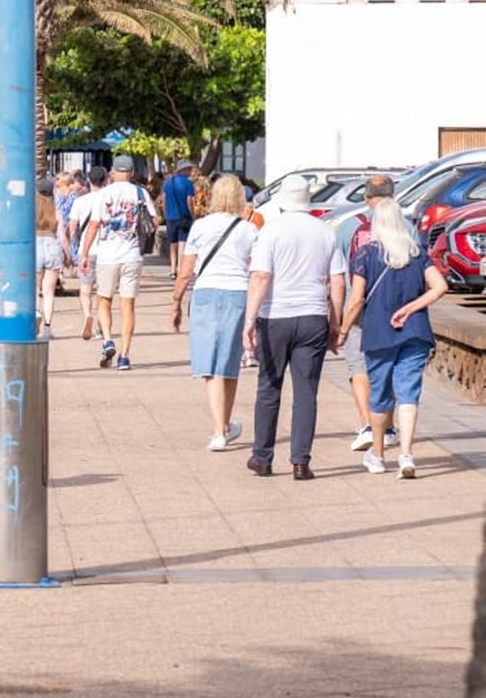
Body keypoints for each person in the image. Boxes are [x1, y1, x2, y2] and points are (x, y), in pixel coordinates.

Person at [337, 195, 444, 479]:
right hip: (415, 332)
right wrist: (411, 307)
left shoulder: (367, 255)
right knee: (409, 394)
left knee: (381, 396)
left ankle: (379, 455)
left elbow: (357, 300)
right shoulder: (417, 253)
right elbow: (440, 286)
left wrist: (344, 329)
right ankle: (406, 455)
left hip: (378, 333)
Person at [242, 176, 342, 480]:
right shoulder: (325, 231)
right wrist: (335, 321)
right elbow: (337, 279)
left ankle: (263, 457)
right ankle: (300, 461)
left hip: (276, 317)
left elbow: (260, 277)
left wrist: (249, 319)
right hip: (312, 316)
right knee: (306, 391)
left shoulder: (270, 231)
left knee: (269, 387)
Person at [169, 175, 259, 451]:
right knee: (229, 364)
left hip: (206, 292)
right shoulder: (249, 230)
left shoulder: (200, 227)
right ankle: (225, 425)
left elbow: (186, 271)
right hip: (237, 293)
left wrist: (176, 301)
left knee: (209, 365)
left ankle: (219, 430)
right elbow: (257, 270)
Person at [332, 174, 401, 453]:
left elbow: (339, 271)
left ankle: (368, 425)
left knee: (358, 366)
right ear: (394, 196)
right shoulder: (406, 225)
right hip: (397, 306)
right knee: (390, 367)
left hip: (359, 304)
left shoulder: (349, 227)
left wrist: (339, 321)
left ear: (365, 198)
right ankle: (390, 427)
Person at [77, 156, 155, 370]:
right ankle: (124, 355)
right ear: (131, 172)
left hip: (107, 256)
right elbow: (154, 220)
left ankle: (108, 340)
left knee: (104, 300)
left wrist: (84, 254)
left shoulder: (104, 194)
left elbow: (93, 225)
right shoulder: (140, 193)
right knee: (128, 305)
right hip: (132, 255)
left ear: (113, 172)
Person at [68, 167, 105, 338]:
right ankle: (99, 324)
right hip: (106, 250)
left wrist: (71, 245)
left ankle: (87, 314)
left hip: (86, 249)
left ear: (88, 181)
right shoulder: (108, 199)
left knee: (85, 289)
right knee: (103, 291)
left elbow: (72, 225)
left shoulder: (80, 201)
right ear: (105, 180)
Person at [36, 189, 65, 332]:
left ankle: (35, 314)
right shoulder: (56, 212)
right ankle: (48, 328)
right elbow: (62, 236)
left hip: (35, 246)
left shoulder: (32, 212)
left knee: (34, 290)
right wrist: (68, 255)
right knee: (49, 292)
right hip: (52, 245)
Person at [164, 161, 198, 279]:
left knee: (172, 243)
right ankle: (180, 268)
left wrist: (165, 212)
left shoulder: (168, 183)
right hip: (184, 216)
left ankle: (173, 269)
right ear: (182, 170)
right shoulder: (188, 183)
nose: (190, 172)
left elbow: (164, 199)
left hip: (170, 216)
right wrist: (192, 214)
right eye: (188, 169)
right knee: (182, 243)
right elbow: (190, 201)